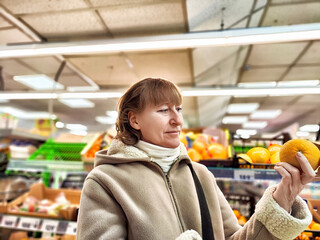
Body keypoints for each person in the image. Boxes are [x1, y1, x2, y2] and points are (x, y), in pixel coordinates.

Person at [77, 78, 319, 240]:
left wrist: (284, 197)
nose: (177, 120)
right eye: (163, 110)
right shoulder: (105, 181)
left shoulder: (201, 175)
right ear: (135, 120)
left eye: (178, 109)